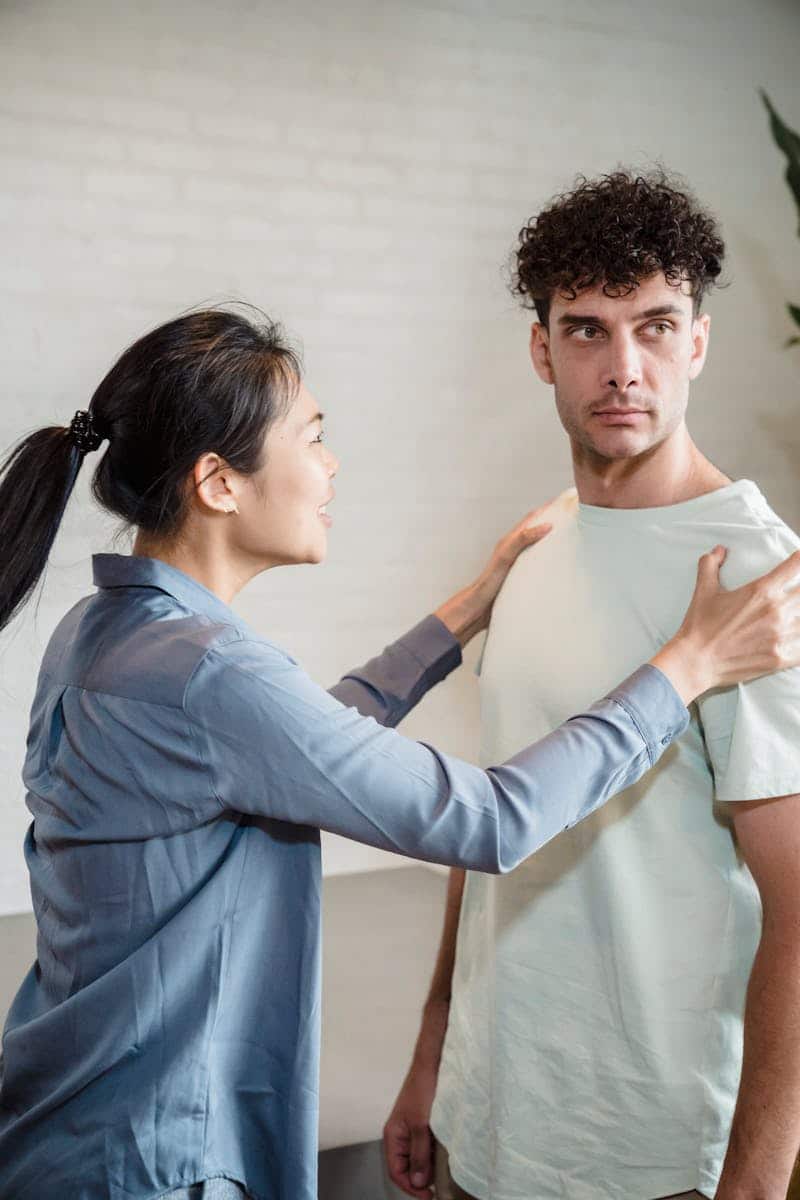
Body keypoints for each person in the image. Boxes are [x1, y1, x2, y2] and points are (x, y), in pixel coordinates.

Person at [0, 311, 795, 1200]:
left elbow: (295, 748)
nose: (331, 465)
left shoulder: (107, 631)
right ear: (219, 483)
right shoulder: (205, 671)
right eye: (314, 437)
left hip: (62, 1124)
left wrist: (465, 609)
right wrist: (686, 666)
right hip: (147, 1160)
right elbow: (490, 818)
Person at [385, 170, 800, 1200]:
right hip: (491, 1118)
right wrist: (434, 1053)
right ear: (541, 350)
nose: (623, 367)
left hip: (648, 1156)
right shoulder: (537, 544)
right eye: (585, 330)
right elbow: (488, 817)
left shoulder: (753, 579)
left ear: (695, 342)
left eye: (654, 327)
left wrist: (750, 1188)